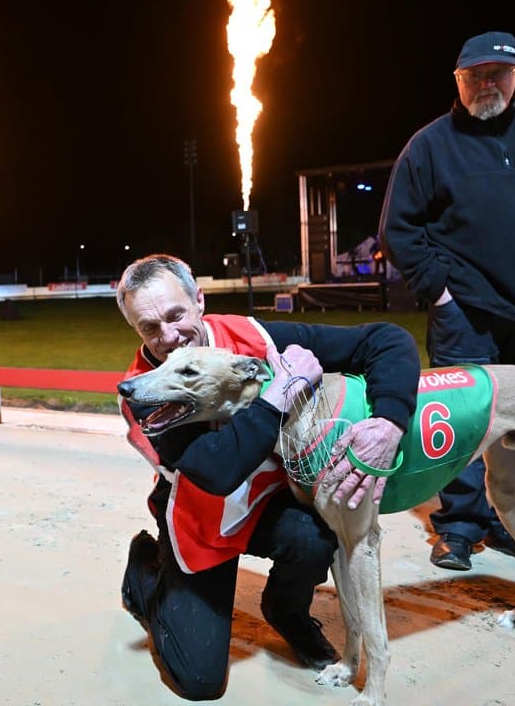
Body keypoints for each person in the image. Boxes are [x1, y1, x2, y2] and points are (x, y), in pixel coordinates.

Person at [115, 254, 419, 700]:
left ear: (199, 301)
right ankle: (145, 573)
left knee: (317, 533)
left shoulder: (256, 339)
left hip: (266, 505)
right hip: (202, 523)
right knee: (199, 681)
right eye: (149, 328)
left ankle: (286, 609)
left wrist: (391, 420)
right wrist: (277, 397)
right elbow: (215, 471)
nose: (168, 337)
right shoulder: (144, 388)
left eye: (176, 315)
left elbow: (386, 340)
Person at [379, 31, 515, 573]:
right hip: (468, 318)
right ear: (457, 80)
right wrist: (442, 294)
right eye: (474, 75)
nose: (486, 84)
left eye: (497, 74)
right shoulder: (430, 145)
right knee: (460, 428)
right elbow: (398, 230)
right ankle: (458, 530)